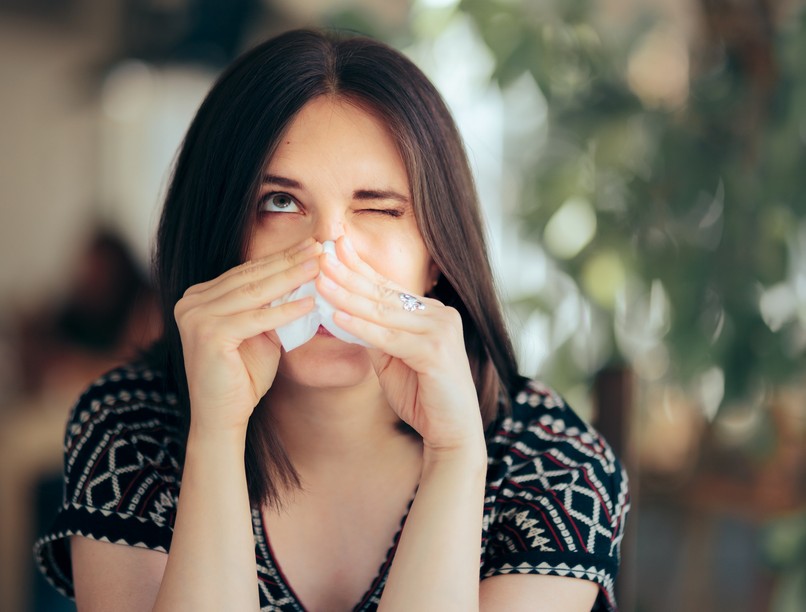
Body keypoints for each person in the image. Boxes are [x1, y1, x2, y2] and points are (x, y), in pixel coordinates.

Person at [34, 29, 629, 611]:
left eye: (379, 208)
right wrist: (216, 435)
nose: (327, 257)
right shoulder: (128, 430)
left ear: (436, 257)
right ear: (221, 236)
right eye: (280, 203)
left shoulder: (557, 468)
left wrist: (455, 456)